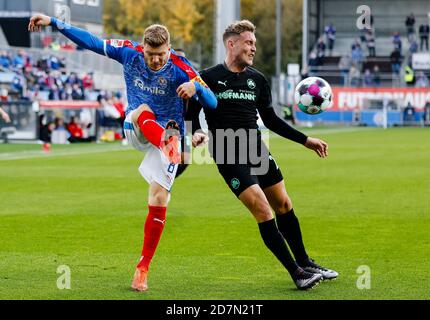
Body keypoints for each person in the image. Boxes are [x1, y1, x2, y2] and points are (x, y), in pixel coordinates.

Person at [29, 13, 217, 292]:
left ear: (169, 49)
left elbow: (212, 102)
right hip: (139, 127)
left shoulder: (181, 67)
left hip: (170, 136)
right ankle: (169, 145)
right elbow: (92, 42)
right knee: (144, 110)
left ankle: (142, 268)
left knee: (158, 198)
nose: (156, 60)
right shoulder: (129, 53)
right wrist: (55, 23)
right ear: (143, 48)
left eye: (161, 54)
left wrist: (196, 88)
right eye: (151, 54)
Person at [189, 20, 338, 290]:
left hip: (255, 147)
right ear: (231, 43)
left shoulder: (257, 79)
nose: (253, 48)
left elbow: (271, 120)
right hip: (226, 149)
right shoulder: (206, 78)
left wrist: (305, 140)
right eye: (249, 42)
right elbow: (191, 115)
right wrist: (197, 132)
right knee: (262, 207)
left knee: (283, 204)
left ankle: (305, 262)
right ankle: (297, 273)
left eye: (254, 43)